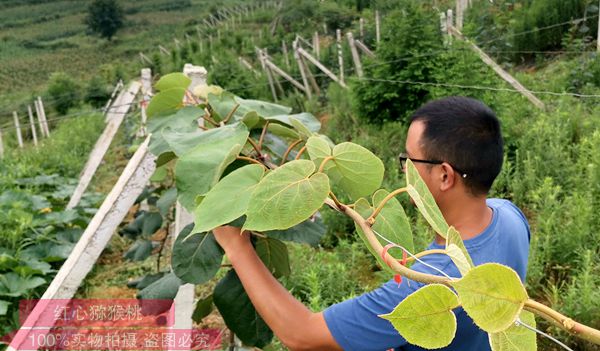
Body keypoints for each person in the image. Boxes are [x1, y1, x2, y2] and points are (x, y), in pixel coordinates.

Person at [213, 96, 531, 351]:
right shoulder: (509, 217)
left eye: (408, 160)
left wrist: (237, 246)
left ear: (444, 175)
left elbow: (302, 335)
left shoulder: (427, 282)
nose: (403, 169)